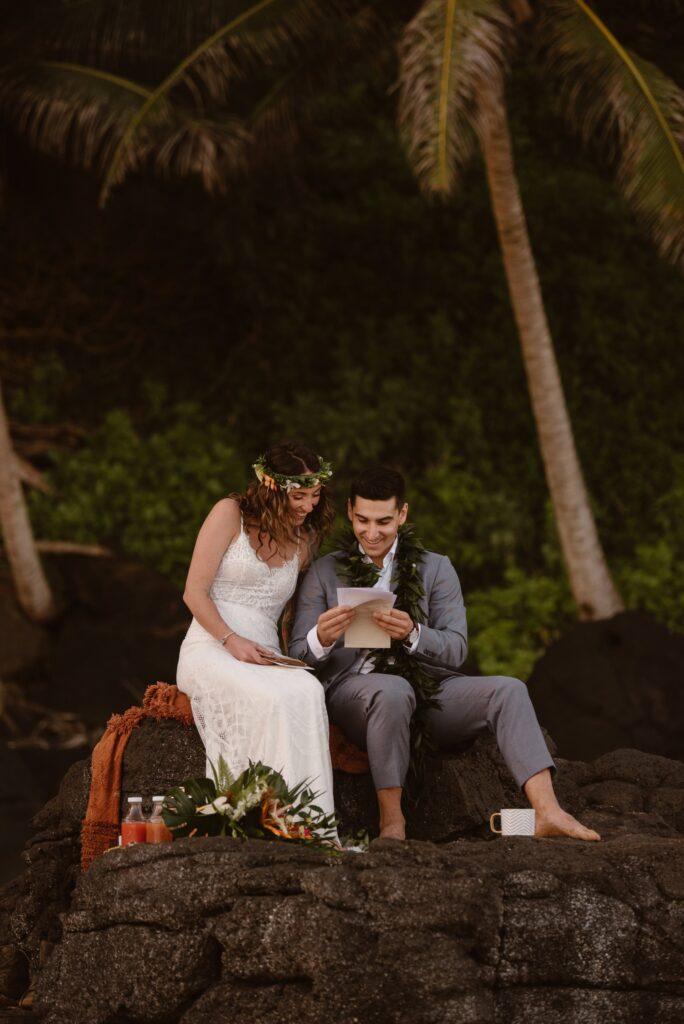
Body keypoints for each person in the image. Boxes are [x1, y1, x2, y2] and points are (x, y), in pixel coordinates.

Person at [289, 466, 600, 842]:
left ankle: (547, 813)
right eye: (363, 520)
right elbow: (298, 655)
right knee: (391, 691)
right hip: (357, 694)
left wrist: (414, 634)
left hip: (429, 690)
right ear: (351, 512)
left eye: (384, 521)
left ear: (402, 514)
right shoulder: (324, 572)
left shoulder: (436, 568)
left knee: (509, 689)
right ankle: (392, 823)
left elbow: (456, 648)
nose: (372, 533)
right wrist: (321, 635)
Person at [177, 440, 337, 820]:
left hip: (265, 652)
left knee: (309, 691)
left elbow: (289, 613)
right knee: (272, 700)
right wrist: (231, 641)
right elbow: (193, 593)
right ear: (271, 487)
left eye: (314, 495)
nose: (308, 505)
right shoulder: (228, 513)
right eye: (299, 496)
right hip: (212, 644)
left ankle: (307, 824)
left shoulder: (304, 537)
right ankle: (262, 816)